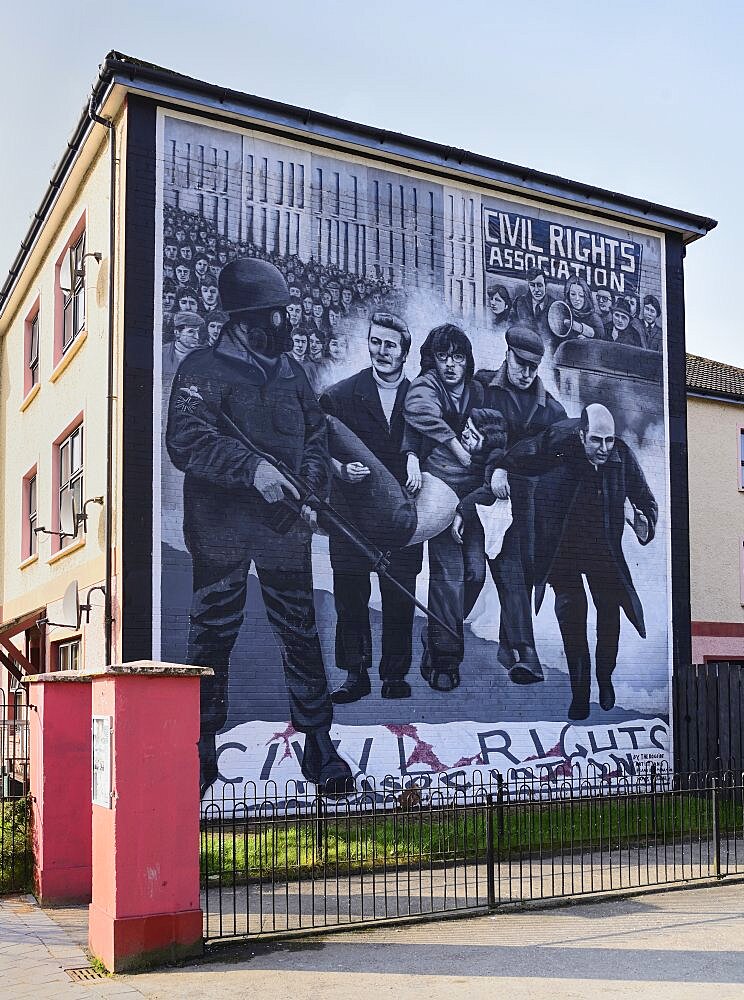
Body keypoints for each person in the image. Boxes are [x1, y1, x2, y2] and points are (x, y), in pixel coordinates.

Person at [166, 257, 352, 797]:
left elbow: (316, 436)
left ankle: (318, 743)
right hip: (221, 531)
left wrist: (310, 487)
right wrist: (251, 468)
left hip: (281, 529)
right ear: (246, 320)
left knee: (300, 635)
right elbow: (186, 439)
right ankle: (199, 749)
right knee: (211, 639)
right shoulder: (200, 368)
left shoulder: (291, 372)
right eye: (274, 315)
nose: (284, 323)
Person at [500, 403, 658, 720]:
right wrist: (501, 469)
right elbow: (524, 452)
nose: (603, 448)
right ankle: (581, 693)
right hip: (563, 549)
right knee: (573, 620)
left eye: (609, 440)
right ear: (582, 434)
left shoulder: (621, 456)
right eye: (596, 440)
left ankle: (605, 679)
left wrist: (645, 525)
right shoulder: (559, 441)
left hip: (603, 549)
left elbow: (646, 499)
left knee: (610, 617)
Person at [319, 313, 423, 703]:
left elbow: (433, 451)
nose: (381, 351)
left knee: (400, 595)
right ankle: (355, 674)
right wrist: (339, 469)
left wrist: (416, 461)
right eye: (375, 341)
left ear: (405, 352)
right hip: (350, 514)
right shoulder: (339, 396)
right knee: (350, 594)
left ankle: (394, 675)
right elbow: (315, 448)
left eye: (390, 345)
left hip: (401, 516)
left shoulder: (420, 400)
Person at [473, 326, 567, 684]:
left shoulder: (551, 410)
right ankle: (527, 653)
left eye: (534, 366)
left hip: (528, 507)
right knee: (511, 567)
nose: (527, 373)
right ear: (507, 354)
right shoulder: (481, 388)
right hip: (483, 496)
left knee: (524, 570)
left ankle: (506, 645)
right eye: (521, 363)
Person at [403, 324, 486, 692]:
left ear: (467, 360)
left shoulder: (479, 392)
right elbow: (414, 425)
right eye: (443, 356)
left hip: (473, 499)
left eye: (458, 357)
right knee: (448, 578)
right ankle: (446, 662)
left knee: (475, 576)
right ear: (432, 360)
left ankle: (437, 633)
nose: (451, 365)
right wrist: (413, 456)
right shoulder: (426, 388)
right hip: (439, 490)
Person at [509, 268, 556, 345]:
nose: (536, 290)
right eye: (532, 285)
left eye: (539, 285)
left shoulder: (555, 305)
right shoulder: (519, 302)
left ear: (545, 285)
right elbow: (510, 326)